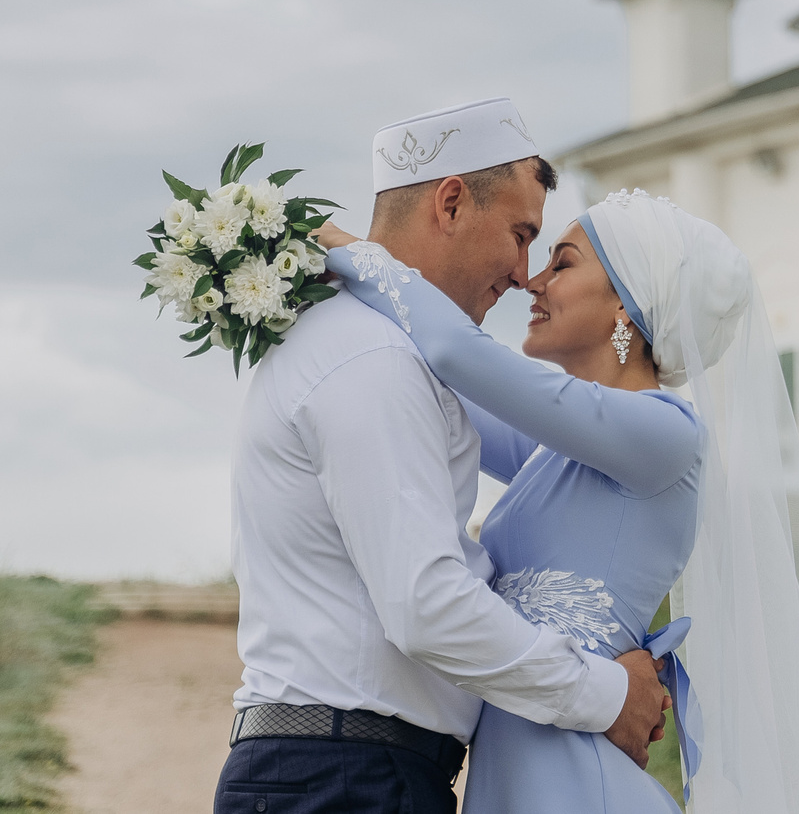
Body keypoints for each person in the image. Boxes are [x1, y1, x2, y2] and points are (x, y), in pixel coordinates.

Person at [321, 187, 799, 813]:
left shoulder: (666, 436)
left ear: (625, 304)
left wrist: (349, 251)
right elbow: (435, 374)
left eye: (560, 263)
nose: (532, 281)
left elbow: (457, 352)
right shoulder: (557, 450)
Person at [219, 98, 669, 814]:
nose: (525, 274)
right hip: (346, 780)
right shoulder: (372, 358)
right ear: (451, 201)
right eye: (521, 235)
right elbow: (425, 603)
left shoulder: (373, 348)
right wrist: (606, 692)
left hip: (344, 770)